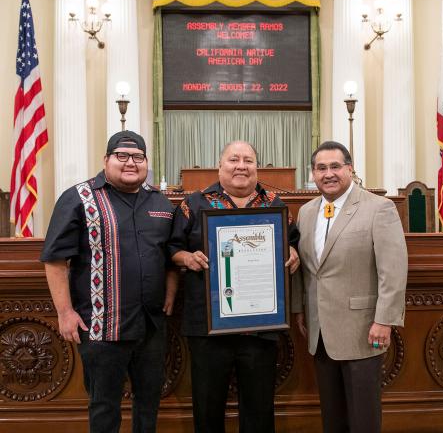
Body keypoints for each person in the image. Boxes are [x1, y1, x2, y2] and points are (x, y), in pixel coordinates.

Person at [40, 131, 178, 433]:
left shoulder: (161, 203)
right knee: (104, 406)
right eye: (122, 156)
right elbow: (54, 260)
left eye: (138, 157)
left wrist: (171, 286)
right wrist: (64, 313)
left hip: (151, 327)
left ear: (146, 163)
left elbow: (172, 253)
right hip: (102, 326)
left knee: (149, 402)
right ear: (106, 160)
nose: (131, 163)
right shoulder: (78, 198)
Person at [169, 140, 300, 433]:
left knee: (259, 406)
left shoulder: (275, 204)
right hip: (207, 325)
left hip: (261, 324)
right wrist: (186, 257)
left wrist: (294, 253)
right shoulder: (194, 203)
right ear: (220, 165)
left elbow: (292, 243)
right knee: (207, 403)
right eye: (234, 159)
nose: (241, 166)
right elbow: (172, 248)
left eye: (248, 160)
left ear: (257, 167)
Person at [292, 140, 408, 433]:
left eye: (335, 166)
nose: (328, 174)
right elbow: (305, 270)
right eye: (321, 168)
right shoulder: (306, 212)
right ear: (313, 174)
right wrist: (299, 310)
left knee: (363, 419)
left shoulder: (378, 208)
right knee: (333, 418)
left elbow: (392, 270)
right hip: (320, 331)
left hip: (362, 329)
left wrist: (384, 320)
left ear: (350, 169)